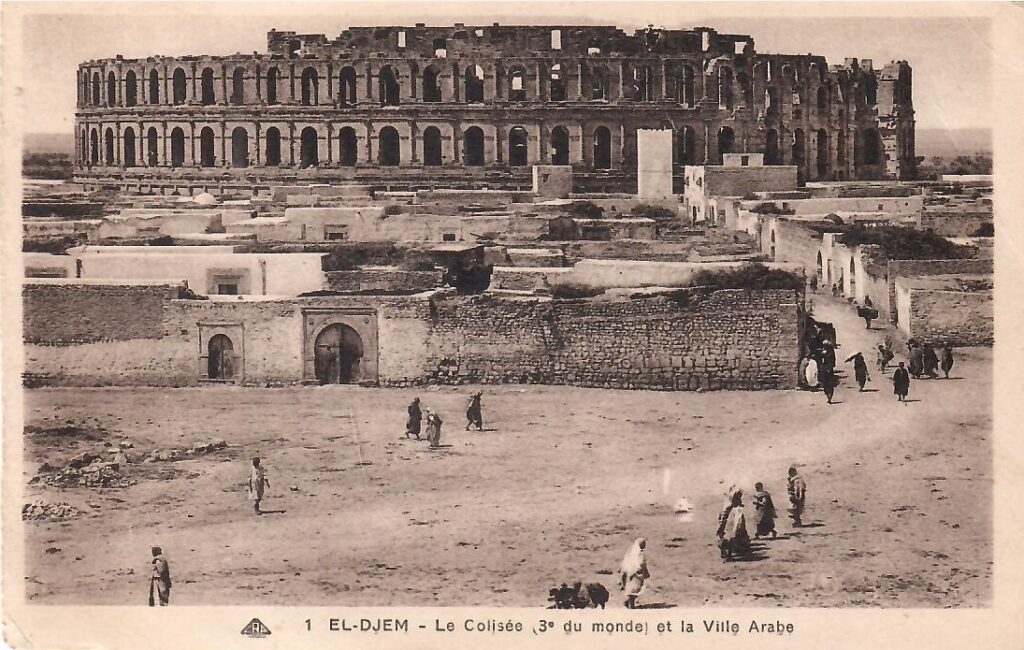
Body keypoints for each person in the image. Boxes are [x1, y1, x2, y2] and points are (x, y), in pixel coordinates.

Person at [717, 490, 750, 561]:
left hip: (729, 528)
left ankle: (728, 554)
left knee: (728, 541)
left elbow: (722, 519)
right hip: (730, 528)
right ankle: (729, 554)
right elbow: (738, 521)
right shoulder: (735, 509)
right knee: (730, 541)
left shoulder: (730, 508)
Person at [619, 538, 649, 609]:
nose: (644, 546)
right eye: (643, 544)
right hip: (637, 573)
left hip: (631, 573)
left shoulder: (632, 552)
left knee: (632, 589)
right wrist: (645, 572)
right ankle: (630, 605)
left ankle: (628, 602)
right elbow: (641, 564)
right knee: (635, 589)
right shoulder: (640, 553)